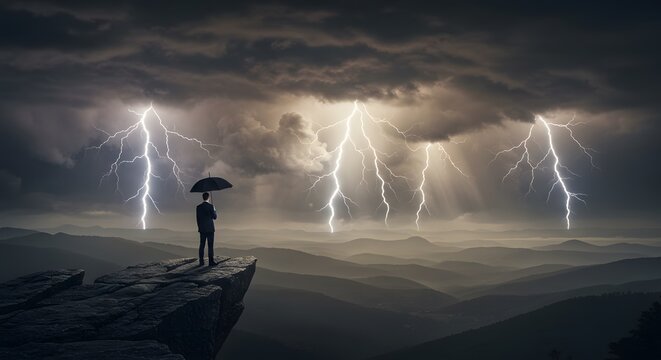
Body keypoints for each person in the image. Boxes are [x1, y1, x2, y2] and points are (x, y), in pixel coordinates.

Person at [196, 192, 217, 266]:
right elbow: (215, 217)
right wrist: (214, 210)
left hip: (202, 229)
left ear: (203, 197)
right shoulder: (211, 206)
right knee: (210, 245)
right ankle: (211, 262)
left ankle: (201, 262)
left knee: (202, 245)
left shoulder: (198, 207)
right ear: (208, 198)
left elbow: (197, 219)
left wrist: (199, 228)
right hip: (210, 229)